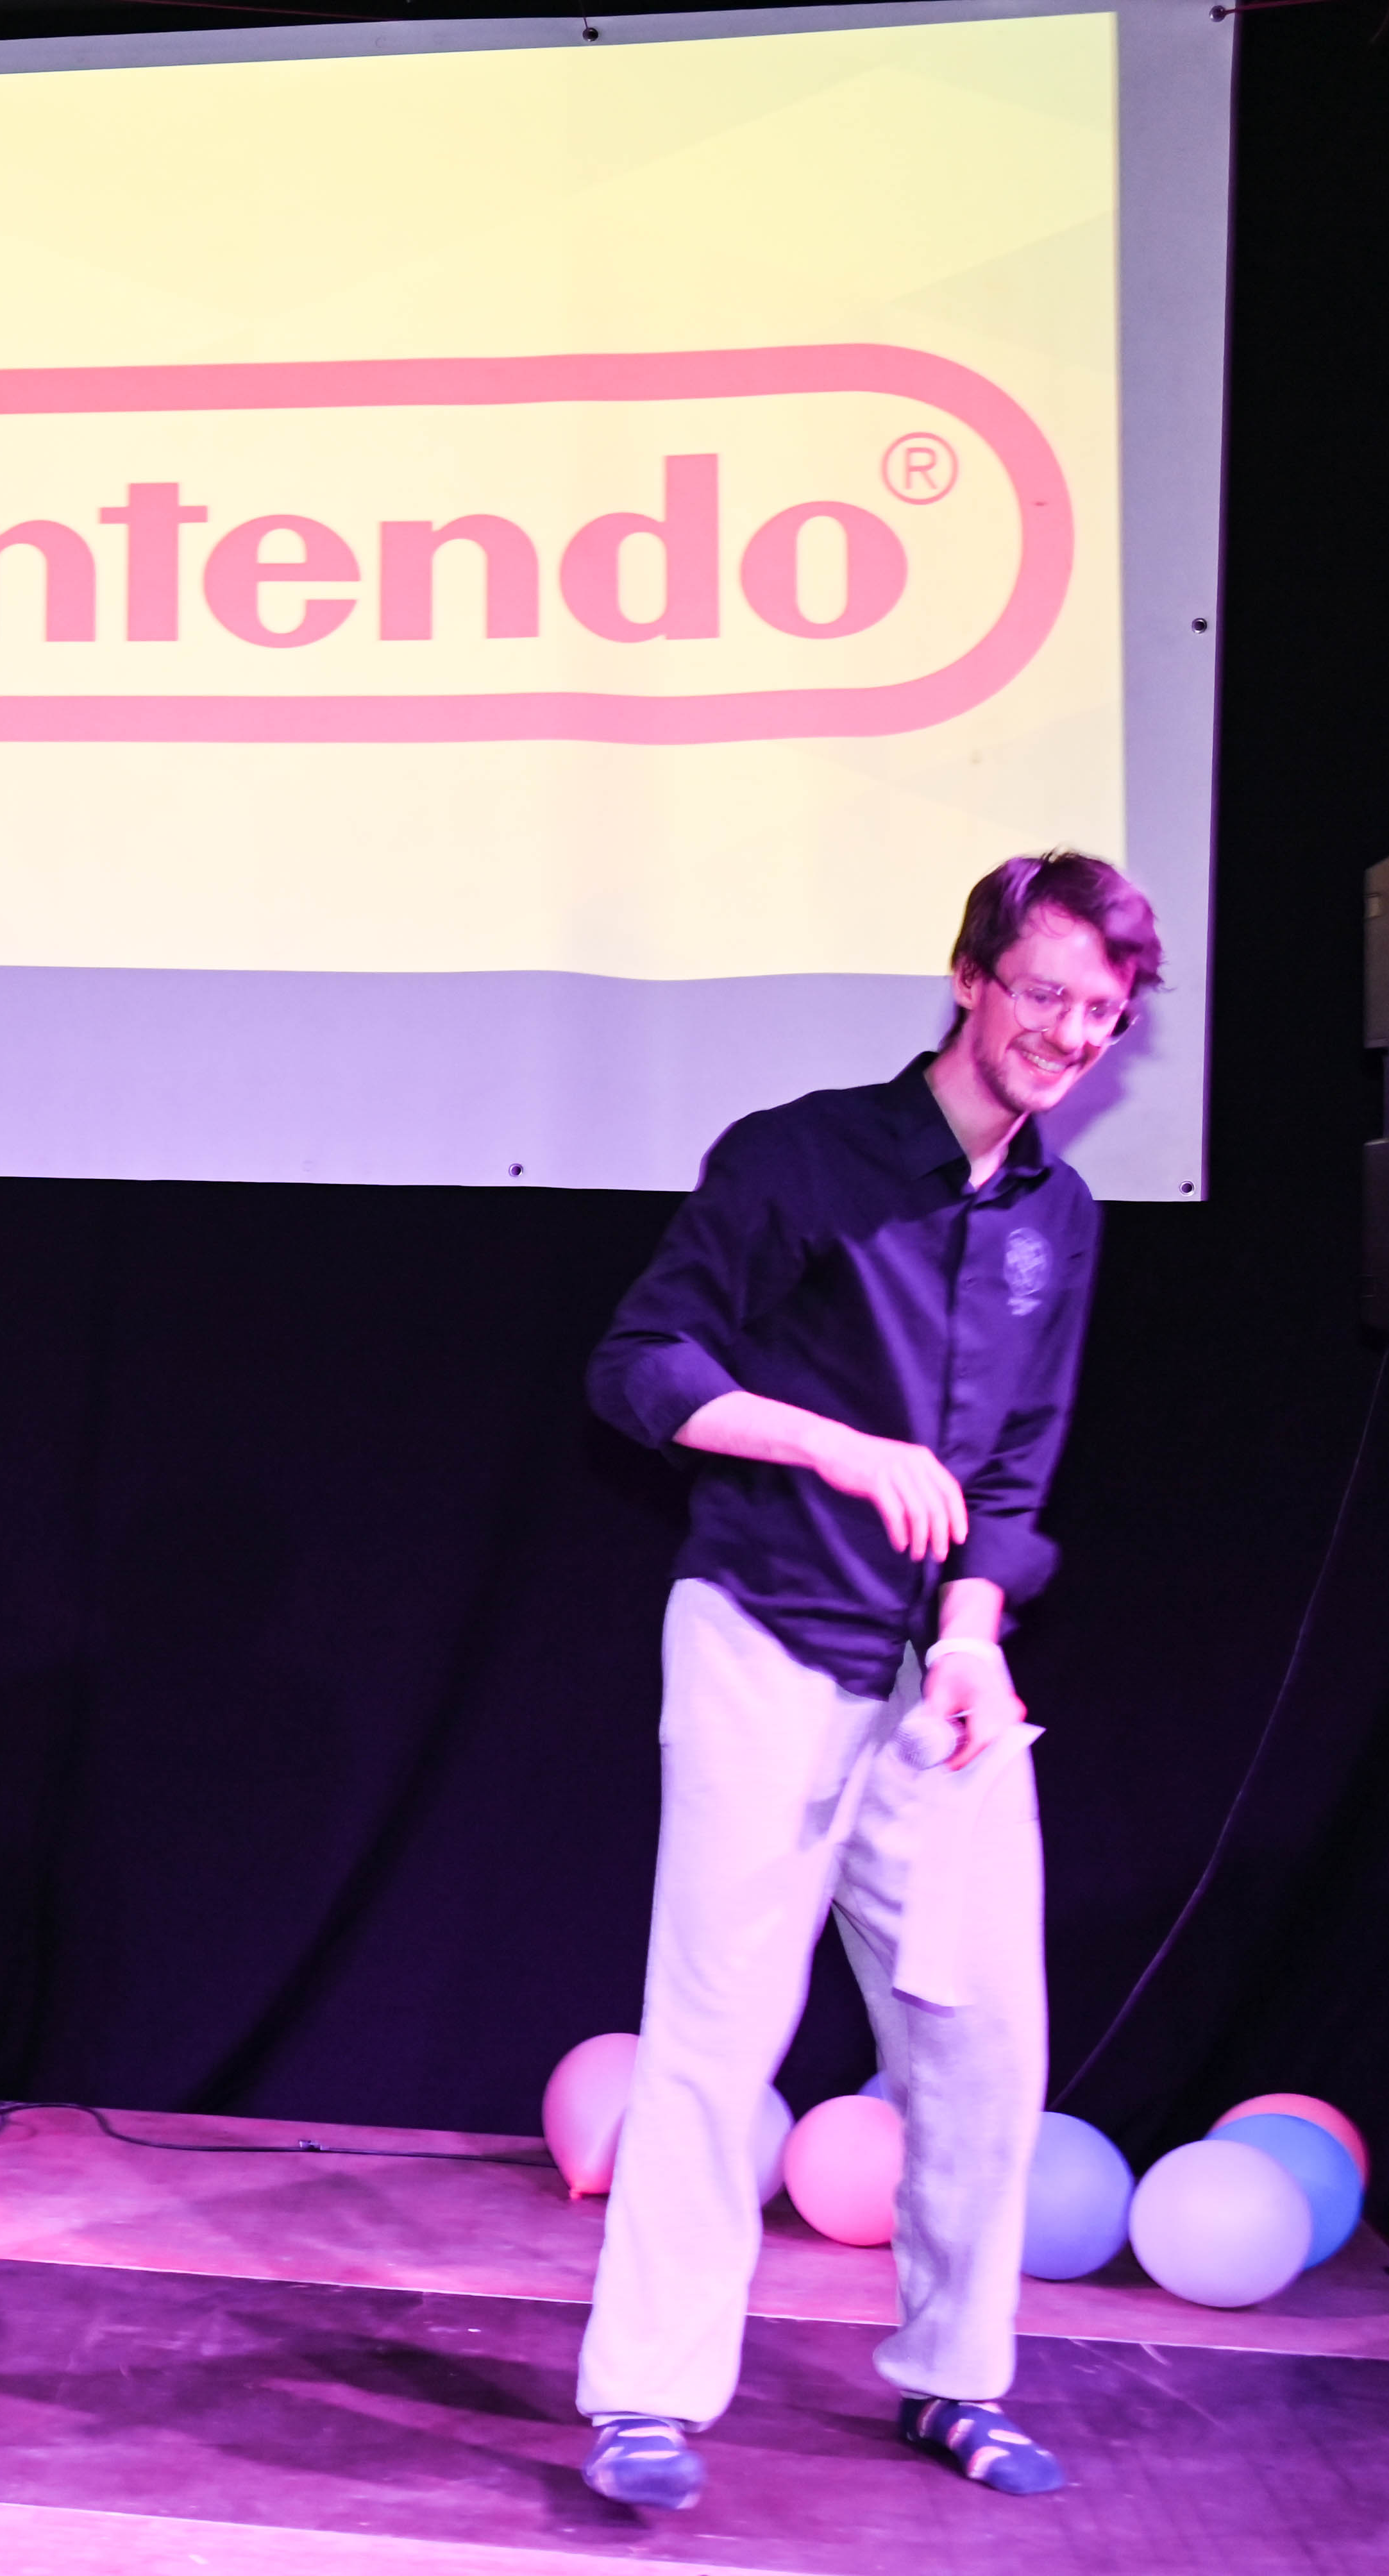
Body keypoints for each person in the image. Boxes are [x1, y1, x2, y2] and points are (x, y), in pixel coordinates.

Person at [570, 851, 1159, 2512]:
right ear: (971, 978)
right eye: (1044, 995)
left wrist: (971, 1634)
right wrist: (836, 1444)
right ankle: (646, 2403)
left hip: (934, 1680)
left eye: (1103, 1017)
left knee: (984, 2044)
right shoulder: (800, 1157)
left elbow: (1020, 1476)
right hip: (767, 1632)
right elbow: (638, 1364)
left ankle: (955, 2381)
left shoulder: (1059, 1220)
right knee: (718, 2030)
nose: (1069, 1037)